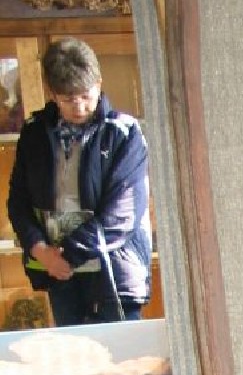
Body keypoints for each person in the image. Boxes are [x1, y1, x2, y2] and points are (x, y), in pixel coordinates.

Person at [6, 37, 152, 327]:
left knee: (120, 353)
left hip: (114, 271)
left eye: (86, 95)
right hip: (59, 273)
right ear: (52, 94)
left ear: (99, 83)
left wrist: (67, 255)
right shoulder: (34, 133)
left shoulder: (124, 132)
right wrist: (40, 250)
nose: (80, 107)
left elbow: (123, 214)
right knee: (72, 352)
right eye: (68, 99)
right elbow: (18, 202)